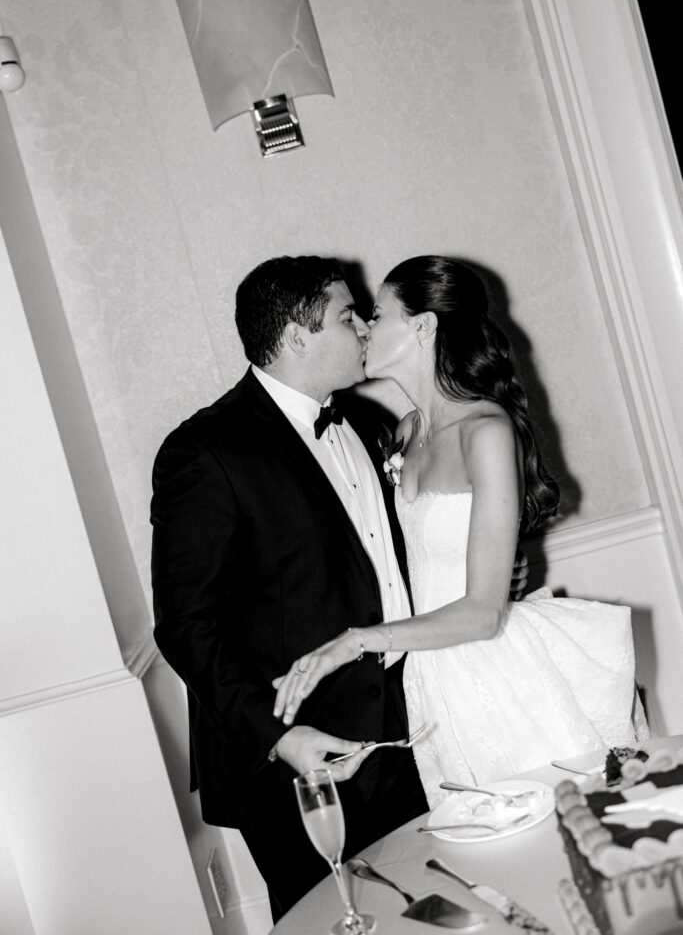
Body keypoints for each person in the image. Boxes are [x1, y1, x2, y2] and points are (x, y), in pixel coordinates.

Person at [273, 255, 649, 809]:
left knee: (552, 822)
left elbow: (484, 613)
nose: (365, 329)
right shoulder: (401, 432)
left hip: (495, 670)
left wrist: (356, 641)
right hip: (429, 678)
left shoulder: (486, 431)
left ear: (423, 326)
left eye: (377, 315)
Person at [150, 255, 431, 920]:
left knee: (425, 905)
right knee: (331, 921)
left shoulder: (363, 422)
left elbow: (379, 565)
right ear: (297, 336)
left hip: (400, 728)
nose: (364, 328)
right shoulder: (206, 450)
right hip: (295, 756)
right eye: (347, 316)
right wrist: (281, 739)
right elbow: (186, 627)